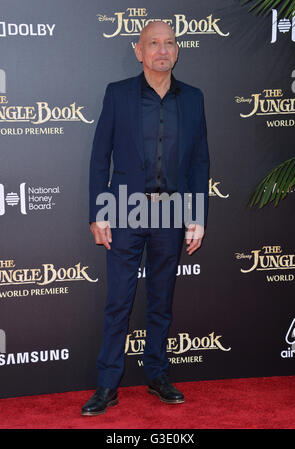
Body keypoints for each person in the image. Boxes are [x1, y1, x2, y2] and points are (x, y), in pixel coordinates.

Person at [81, 21, 209, 416]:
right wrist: (98, 213)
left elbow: (201, 161)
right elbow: (100, 157)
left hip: (171, 213)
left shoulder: (192, 98)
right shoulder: (118, 94)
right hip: (123, 211)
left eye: (169, 43)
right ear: (138, 51)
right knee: (119, 301)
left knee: (161, 302)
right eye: (153, 43)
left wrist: (197, 215)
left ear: (177, 50)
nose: (162, 50)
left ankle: (157, 374)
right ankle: (107, 384)